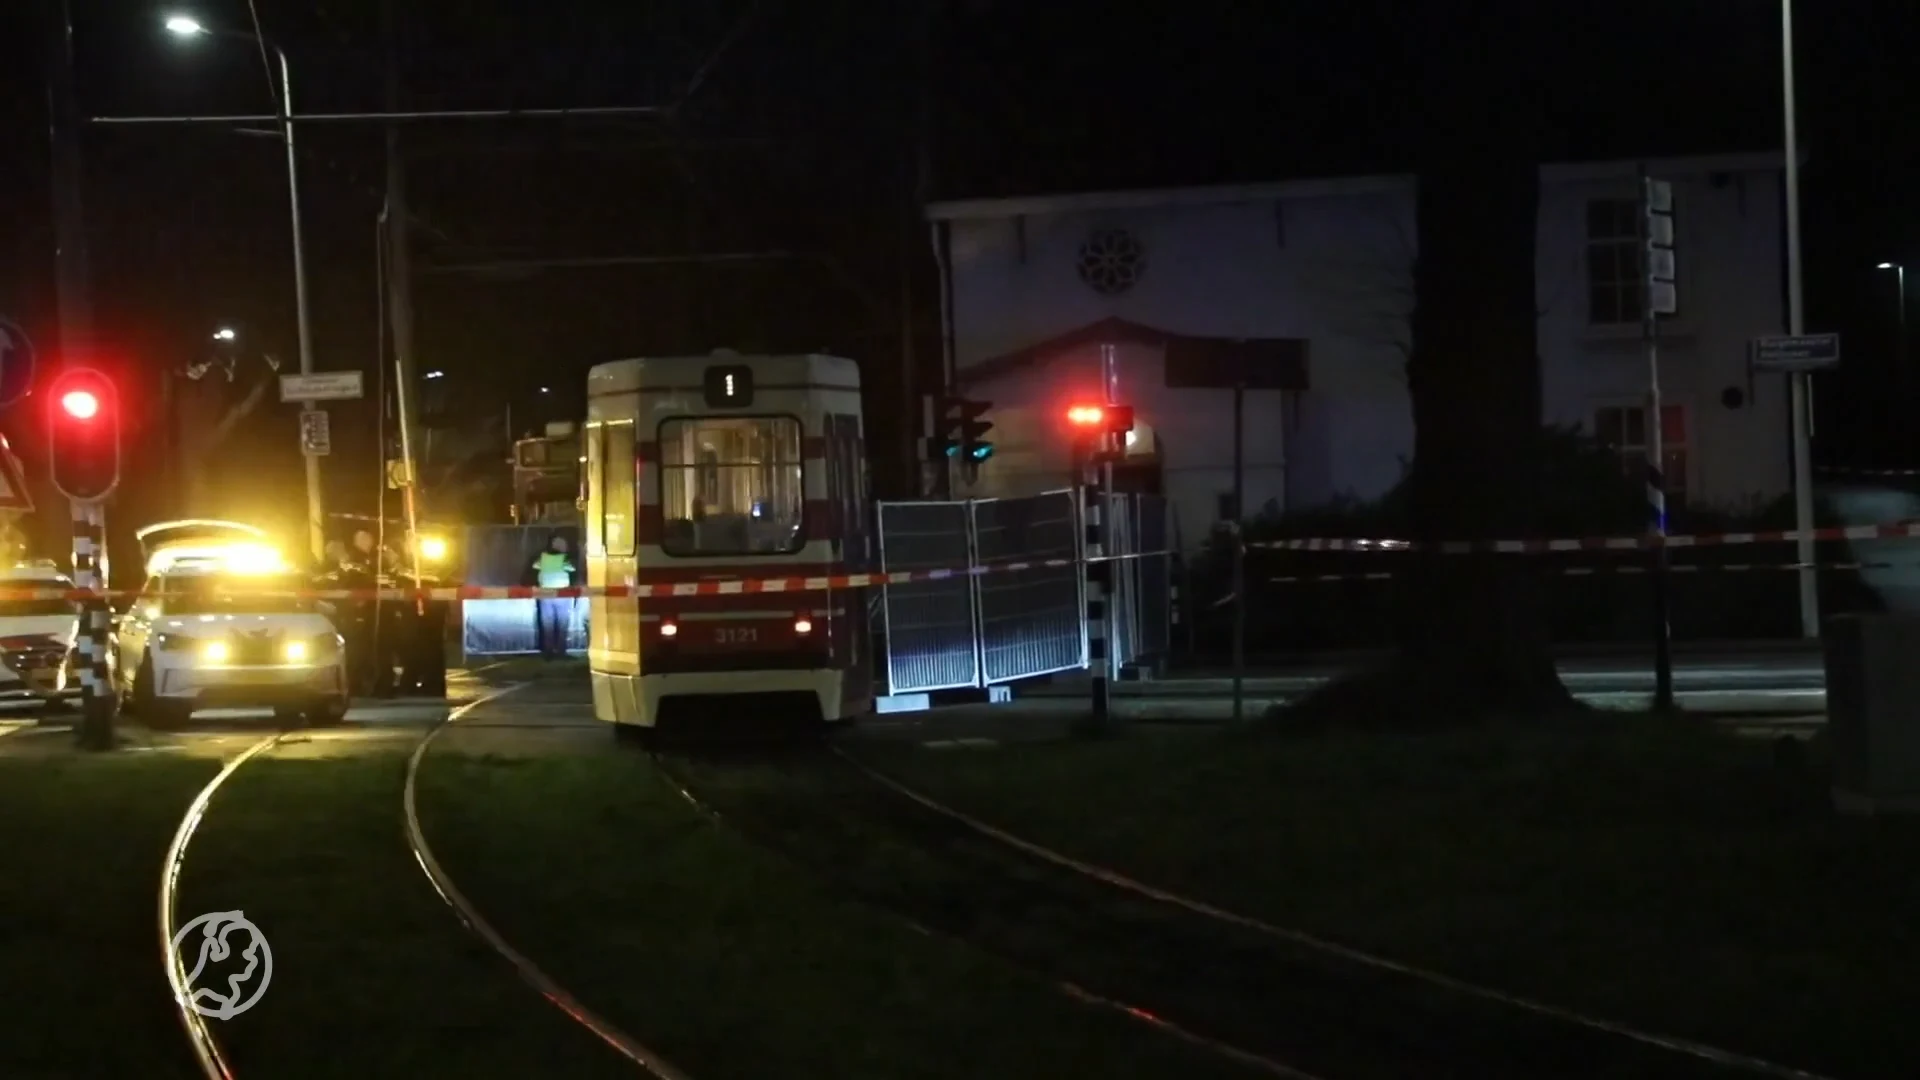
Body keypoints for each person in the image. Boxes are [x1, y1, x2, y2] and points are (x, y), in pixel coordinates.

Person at [531, 534, 577, 659]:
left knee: (547, 624)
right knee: (562, 624)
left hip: (545, 594)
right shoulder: (564, 559)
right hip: (562, 595)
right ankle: (561, 651)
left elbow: (535, 566)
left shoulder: (543, 558)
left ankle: (548, 652)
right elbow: (572, 569)